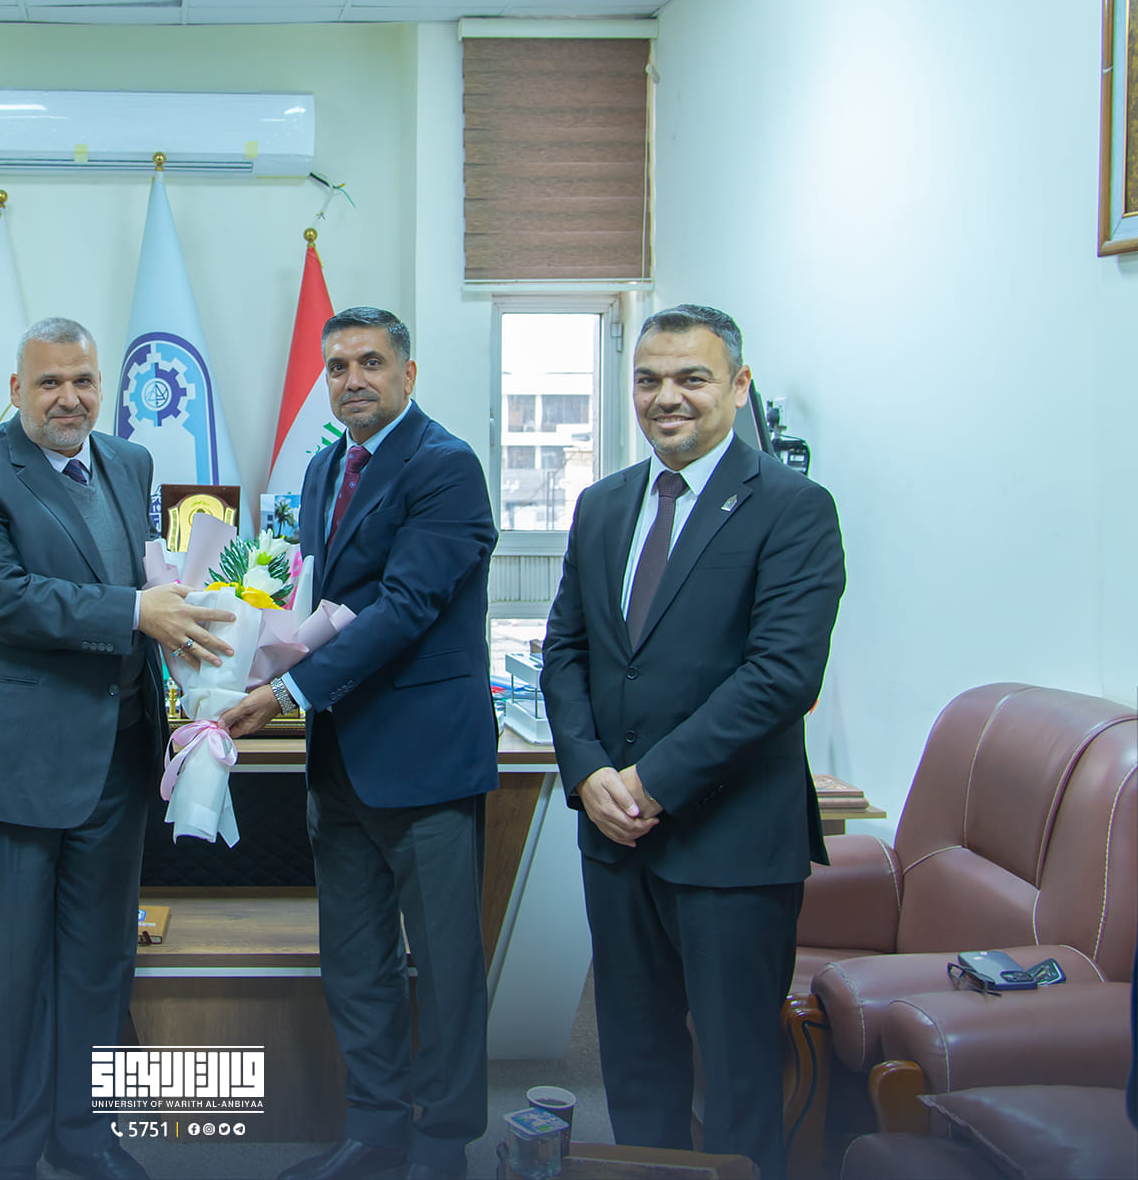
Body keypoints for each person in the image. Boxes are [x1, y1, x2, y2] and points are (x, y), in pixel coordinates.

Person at [0, 317, 237, 1180]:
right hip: (10, 771)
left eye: (84, 381)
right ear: (16, 390)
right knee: (10, 977)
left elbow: (146, 581)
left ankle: (87, 1136)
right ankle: (11, 1154)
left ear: (104, 387)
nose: (69, 399)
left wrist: (205, 643)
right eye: (50, 383)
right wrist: (137, 612)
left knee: (101, 964)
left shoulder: (129, 463)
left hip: (116, 760)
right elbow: (0, 598)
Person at [539, 304, 846, 1180]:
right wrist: (589, 771)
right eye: (648, 379)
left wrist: (651, 781)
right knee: (635, 1066)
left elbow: (781, 677)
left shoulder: (793, 507)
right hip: (617, 843)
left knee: (739, 1078)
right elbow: (565, 650)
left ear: (738, 386)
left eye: (691, 378)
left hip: (733, 845)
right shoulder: (603, 505)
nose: (666, 397)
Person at [223, 306, 498, 1180]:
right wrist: (235, 648)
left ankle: (442, 1146)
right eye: (337, 366)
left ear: (407, 375)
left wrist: (287, 692)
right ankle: (374, 1133)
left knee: (443, 969)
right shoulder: (322, 468)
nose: (352, 380)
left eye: (371, 363)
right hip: (340, 759)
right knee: (355, 960)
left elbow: (408, 606)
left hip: (426, 761)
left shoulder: (445, 466)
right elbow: (314, 599)